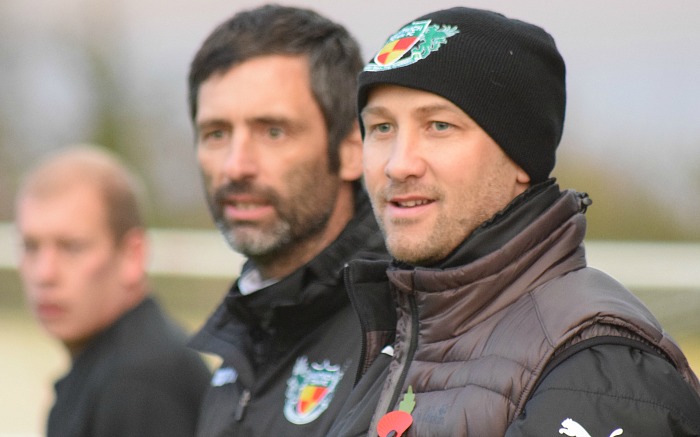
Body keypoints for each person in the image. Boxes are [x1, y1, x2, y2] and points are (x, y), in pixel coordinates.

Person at [328, 7, 700, 437]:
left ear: (520, 157)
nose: (398, 164)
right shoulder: (404, 333)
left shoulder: (600, 370)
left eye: (440, 125)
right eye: (381, 127)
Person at [186, 4, 387, 437]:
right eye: (216, 134)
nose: (236, 166)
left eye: (272, 131)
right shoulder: (248, 327)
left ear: (353, 149)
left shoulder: (401, 335)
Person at [15, 145, 211, 437]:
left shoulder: (141, 381)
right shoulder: (111, 366)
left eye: (72, 247)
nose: (44, 273)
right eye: (31, 247)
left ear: (133, 255)